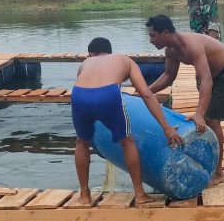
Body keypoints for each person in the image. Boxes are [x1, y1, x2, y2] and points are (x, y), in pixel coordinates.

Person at [72, 36, 183, 206]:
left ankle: (84, 195)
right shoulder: (124, 60)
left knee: (82, 142)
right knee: (127, 141)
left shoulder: (85, 63)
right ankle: (139, 194)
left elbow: (83, 84)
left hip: (79, 95)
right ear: (110, 51)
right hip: (108, 94)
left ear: (91, 53)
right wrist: (166, 127)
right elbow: (146, 94)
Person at [145, 15, 224, 186]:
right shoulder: (170, 50)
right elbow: (168, 76)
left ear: (165, 32)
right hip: (215, 75)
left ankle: (218, 173)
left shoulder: (191, 45)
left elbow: (206, 79)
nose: (151, 40)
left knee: (211, 120)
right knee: (208, 119)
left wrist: (199, 113)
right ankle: (209, 163)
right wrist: (145, 91)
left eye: (153, 36)